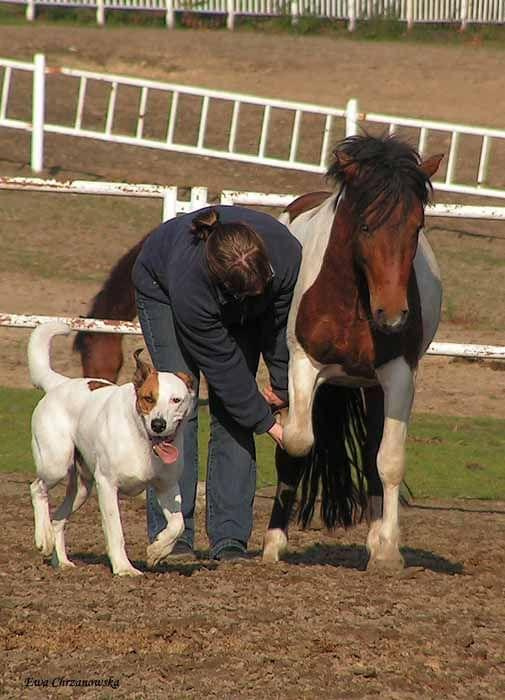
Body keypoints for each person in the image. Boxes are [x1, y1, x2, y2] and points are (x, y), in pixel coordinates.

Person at [132, 205, 302, 561]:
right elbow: (224, 368)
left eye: (263, 284)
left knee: (233, 415)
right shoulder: (191, 284)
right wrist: (270, 425)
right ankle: (174, 534)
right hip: (162, 290)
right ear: (224, 281)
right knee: (178, 409)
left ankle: (230, 539)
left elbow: (279, 326)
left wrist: (284, 391)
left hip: (240, 309)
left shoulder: (286, 254)